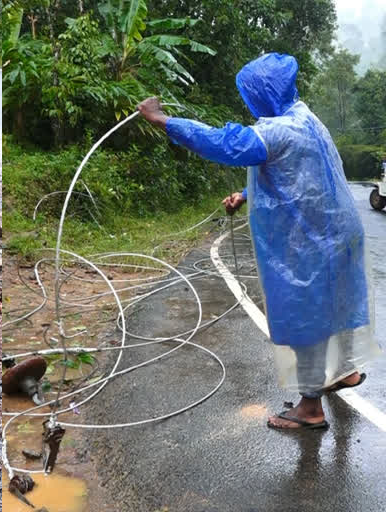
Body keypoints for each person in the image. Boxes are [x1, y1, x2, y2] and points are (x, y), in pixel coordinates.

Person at [137, 53, 380, 430]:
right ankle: (345, 373)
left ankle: (310, 408)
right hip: (341, 233)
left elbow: (222, 143)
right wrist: (245, 194)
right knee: (339, 306)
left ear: (262, 93)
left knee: (307, 318)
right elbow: (301, 177)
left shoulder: (276, 132)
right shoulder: (306, 119)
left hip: (311, 243)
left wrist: (161, 119)